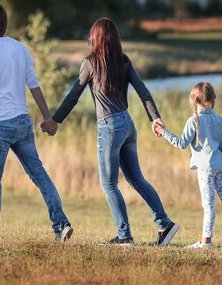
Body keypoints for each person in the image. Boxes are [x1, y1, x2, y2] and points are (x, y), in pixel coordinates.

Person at [41, 18, 180, 247]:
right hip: (128, 124)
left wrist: (54, 120)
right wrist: (155, 118)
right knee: (137, 179)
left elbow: (73, 96)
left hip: (109, 127)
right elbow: (144, 92)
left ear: (95, 38)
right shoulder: (123, 61)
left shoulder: (90, 63)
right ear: (115, 38)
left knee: (109, 185)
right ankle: (164, 224)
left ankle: (124, 236)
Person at [0, 1, 72, 242]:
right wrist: (47, 117)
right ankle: (61, 224)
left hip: (0, 127)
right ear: (5, 23)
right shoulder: (20, 49)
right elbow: (34, 86)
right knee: (40, 176)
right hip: (23, 123)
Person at [153, 82, 222, 249]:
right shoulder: (219, 120)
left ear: (194, 100)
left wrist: (163, 132)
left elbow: (181, 143)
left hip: (205, 170)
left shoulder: (193, 121)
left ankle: (206, 242)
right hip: (221, 167)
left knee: (209, 206)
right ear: (212, 98)